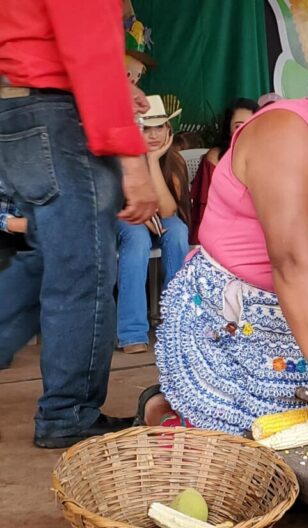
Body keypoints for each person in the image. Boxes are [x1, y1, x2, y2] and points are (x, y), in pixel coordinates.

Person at [137, 32, 308, 435]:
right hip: (230, 316)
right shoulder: (285, 133)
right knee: (236, 441)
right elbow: (292, 263)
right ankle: (162, 408)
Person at [0, 0, 157, 448]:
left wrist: (117, 92)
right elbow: (88, 45)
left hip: (19, 102)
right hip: (53, 113)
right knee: (82, 271)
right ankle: (68, 414)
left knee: (46, 262)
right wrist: (132, 161)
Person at [117, 96, 190, 354]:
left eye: (159, 127)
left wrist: (152, 161)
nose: (153, 134)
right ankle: (131, 333)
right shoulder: (121, 157)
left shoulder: (173, 161)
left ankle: (176, 324)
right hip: (123, 218)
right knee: (137, 238)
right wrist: (141, 212)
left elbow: (169, 210)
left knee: (179, 231)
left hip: (160, 220)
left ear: (168, 130)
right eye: (145, 128)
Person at [189, 97, 259, 243]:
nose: (244, 131)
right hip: (220, 230)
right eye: (238, 126)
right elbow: (206, 209)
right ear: (228, 128)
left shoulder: (265, 158)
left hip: (256, 230)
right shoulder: (215, 157)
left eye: (251, 125)